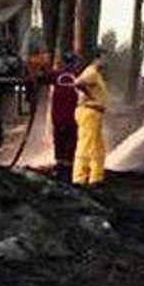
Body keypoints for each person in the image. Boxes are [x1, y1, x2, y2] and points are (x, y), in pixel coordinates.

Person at [72, 49, 110, 187]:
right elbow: (78, 83)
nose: (106, 62)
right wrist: (90, 95)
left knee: (98, 147)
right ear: (97, 58)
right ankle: (79, 179)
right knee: (86, 144)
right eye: (104, 58)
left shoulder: (96, 74)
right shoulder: (91, 72)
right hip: (89, 112)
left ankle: (96, 178)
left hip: (95, 113)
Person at [47, 52, 81, 179]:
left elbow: (42, 77)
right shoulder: (79, 77)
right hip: (72, 120)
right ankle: (67, 170)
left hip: (58, 118)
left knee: (60, 143)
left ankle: (61, 169)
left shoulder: (57, 76)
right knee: (70, 144)